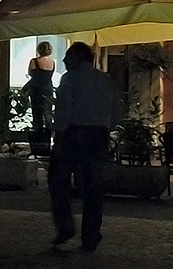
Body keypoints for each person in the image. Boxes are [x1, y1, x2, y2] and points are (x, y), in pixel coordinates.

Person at [51, 42, 121, 253]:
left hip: (74, 134)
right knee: (92, 187)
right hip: (98, 135)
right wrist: (107, 127)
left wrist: (59, 139)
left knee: (58, 181)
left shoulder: (70, 79)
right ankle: (90, 236)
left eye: (67, 57)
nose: (63, 61)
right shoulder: (105, 79)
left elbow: (64, 110)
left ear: (77, 58)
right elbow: (116, 110)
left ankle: (65, 225)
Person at [27, 42, 57, 149]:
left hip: (36, 89)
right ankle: (48, 139)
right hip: (48, 89)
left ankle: (38, 140)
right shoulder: (52, 62)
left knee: (37, 114)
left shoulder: (34, 61)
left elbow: (30, 73)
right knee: (48, 114)